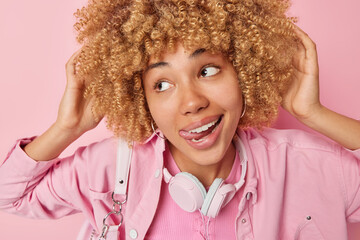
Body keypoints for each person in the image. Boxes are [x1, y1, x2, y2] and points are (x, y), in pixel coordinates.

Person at [0, 0, 359, 239]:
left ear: (244, 72)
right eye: (162, 83)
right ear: (141, 98)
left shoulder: (310, 165)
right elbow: (8, 199)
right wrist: (67, 129)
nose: (191, 102)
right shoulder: (110, 168)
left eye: (207, 70)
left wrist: (315, 114)